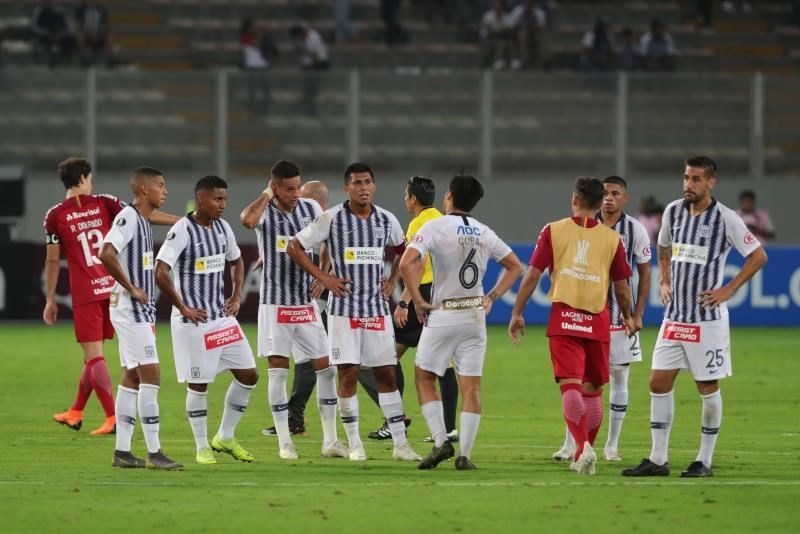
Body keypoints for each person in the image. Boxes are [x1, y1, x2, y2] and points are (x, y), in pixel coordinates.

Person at [622, 156, 767, 478]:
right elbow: (663, 247)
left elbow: (758, 256)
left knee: (707, 385)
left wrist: (728, 289)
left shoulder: (726, 218)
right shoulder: (673, 211)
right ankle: (658, 459)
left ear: (711, 182)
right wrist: (664, 279)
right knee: (658, 382)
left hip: (706, 320)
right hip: (675, 317)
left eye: (697, 179)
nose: (689, 184)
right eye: (686, 177)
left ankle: (704, 460)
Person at [287, 162, 422, 462]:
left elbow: (405, 252)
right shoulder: (331, 218)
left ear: (374, 186)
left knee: (386, 373)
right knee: (347, 375)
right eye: (357, 183)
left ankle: (401, 445)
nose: (363, 187)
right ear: (347, 188)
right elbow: (294, 247)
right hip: (344, 311)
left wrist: (393, 281)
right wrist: (324, 278)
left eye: (368, 182)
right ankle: (355, 443)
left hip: (376, 311)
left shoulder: (386, 219)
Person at [509, 177, 636, 476]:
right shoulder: (612, 239)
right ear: (597, 203)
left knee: (570, 386)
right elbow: (622, 288)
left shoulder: (553, 230)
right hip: (598, 320)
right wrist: (628, 316)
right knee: (592, 391)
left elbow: (532, 275)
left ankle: (583, 447)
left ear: (574, 200)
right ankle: (583, 453)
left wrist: (517, 312)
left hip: (565, 317)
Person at [44, 157, 176, 436]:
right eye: (90, 178)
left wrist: (50, 299)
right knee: (92, 359)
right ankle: (76, 410)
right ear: (82, 179)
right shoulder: (105, 202)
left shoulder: (55, 215)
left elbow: (53, 261)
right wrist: (183, 223)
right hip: (114, 288)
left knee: (94, 357)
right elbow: (144, 215)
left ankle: (113, 416)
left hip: (86, 292)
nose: (92, 183)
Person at [402, 174, 524, 470]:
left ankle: (441, 441)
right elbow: (515, 266)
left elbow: (407, 262)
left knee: (424, 376)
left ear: (449, 197)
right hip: (474, 315)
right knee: (472, 387)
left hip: (445, 312)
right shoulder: (484, 231)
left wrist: (417, 300)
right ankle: (465, 456)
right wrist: (493, 296)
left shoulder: (434, 226)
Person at [240, 162, 347, 460]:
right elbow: (247, 221)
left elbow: (328, 240)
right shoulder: (264, 211)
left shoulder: (310, 207)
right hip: (276, 304)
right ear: (273, 187)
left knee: (327, 368)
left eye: (297, 187)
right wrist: (265, 194)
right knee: (278, 372)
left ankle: (330, 441)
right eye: (288, 188)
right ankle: (285, 442)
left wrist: (321, 274)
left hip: (305, 304)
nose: (295, 194)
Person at [153, 176, 258, 465]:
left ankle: (224, 436)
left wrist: (237, 295)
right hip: (194, 323)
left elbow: (236, 261)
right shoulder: (182, 230)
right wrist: (183, 307)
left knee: (249, 374)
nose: (223, 205)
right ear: (201, 199)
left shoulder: (223, 228)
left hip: (221, 319)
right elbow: (160, 272)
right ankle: (202, 447)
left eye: (225, 199)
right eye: (217, 199)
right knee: (199, 385)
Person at [552, 176, 651, 463]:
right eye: (605, 193)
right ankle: (571, 443)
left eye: (615, 193)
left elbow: (645, 274)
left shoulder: (635, 231)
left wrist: (637, 314)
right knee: (577, 382)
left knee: (618, 379)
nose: (609, 198)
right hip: (584, 317)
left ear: (625, 199)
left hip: (619, 319)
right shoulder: (581, 224)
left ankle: (611, 446)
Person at [363, 176, 459, 443]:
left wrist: (405, 300)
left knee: (385, 356)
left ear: (413, 199)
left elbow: (416, 265)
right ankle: (449, 428)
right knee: (445, 362)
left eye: (406, 196)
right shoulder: (443, 218)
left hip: (422, 294)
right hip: (443, 294)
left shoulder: (418, 224)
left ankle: (395, 420)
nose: (405, 200)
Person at [98, 166, 182, 470]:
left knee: (132, 376)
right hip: (130, 308)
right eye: (161, 185)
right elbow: (106, 252)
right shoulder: (128, 217)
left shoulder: (141, 219)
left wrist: (186, 223)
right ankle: (155, 452)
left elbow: (154, 218)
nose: (166, 190)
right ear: (145, 189)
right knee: (152, 373)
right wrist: (131, 286)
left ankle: (122, 452)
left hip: (138, 309)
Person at [261, 179, 332, 437]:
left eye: (300, 192)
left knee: (329, 362)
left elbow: (328, 248)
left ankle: (295, 418)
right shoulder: (308, 222)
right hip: (308, 295)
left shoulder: (320, 215)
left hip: (323, 295)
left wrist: (322, 277)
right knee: (312, 361)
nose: (296, 197)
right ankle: (294, 419)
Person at [289, 24, 330, 116]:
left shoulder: (313, 37)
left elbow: (314, 56)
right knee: (308, 90)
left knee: (311, 90)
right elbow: (300, 53)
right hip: (309, 65)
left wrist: (310, 71)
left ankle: (312, 111)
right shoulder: (302, 40)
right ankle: (309, 109)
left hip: (318, 64)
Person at [31, 0, 76, 66]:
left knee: (70, 40)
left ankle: (65, 59)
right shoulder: (38, 11)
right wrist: (48, 33)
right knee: (47, 41)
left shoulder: (59, 11)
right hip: (44, 35)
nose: (48, 2)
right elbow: (34, 27)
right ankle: (52, 57)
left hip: (59, 35)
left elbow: (66, 26)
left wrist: (60, 34)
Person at [74, 0, 110, 66]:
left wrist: (98, 32)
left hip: (98, 32)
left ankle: (107, 59)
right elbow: (78, 25)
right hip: (85, 32)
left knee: (109, 36)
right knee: (81, 36)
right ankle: (84, 59)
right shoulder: (79, 10)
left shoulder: (102, 10)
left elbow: (105, 24)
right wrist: (88, 32)